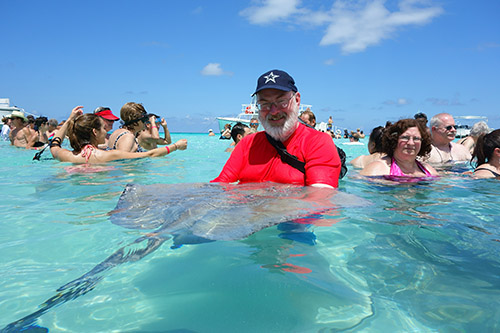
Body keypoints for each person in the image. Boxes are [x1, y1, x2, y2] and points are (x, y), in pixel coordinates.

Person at [212, 69, 341, 188]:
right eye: (264, 104)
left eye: (282, 102)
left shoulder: (318, 142)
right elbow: (219, 186)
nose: (273, 111)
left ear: (297, 100)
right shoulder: (247, 144)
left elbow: (320, 200)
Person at [50, 106, 187, 164]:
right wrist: (176, 146)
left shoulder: (66, 155)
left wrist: (69, 120)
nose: (106, 131)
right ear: (95, 132)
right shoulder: (106, 155)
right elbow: (149, 154)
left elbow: (55, 144)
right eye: (104, 127)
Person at [360, 119, 438, 179]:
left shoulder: (429, 170)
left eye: (416, 139)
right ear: (394, 140)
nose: (411, 143)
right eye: (405, 138)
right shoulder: (378, 169)